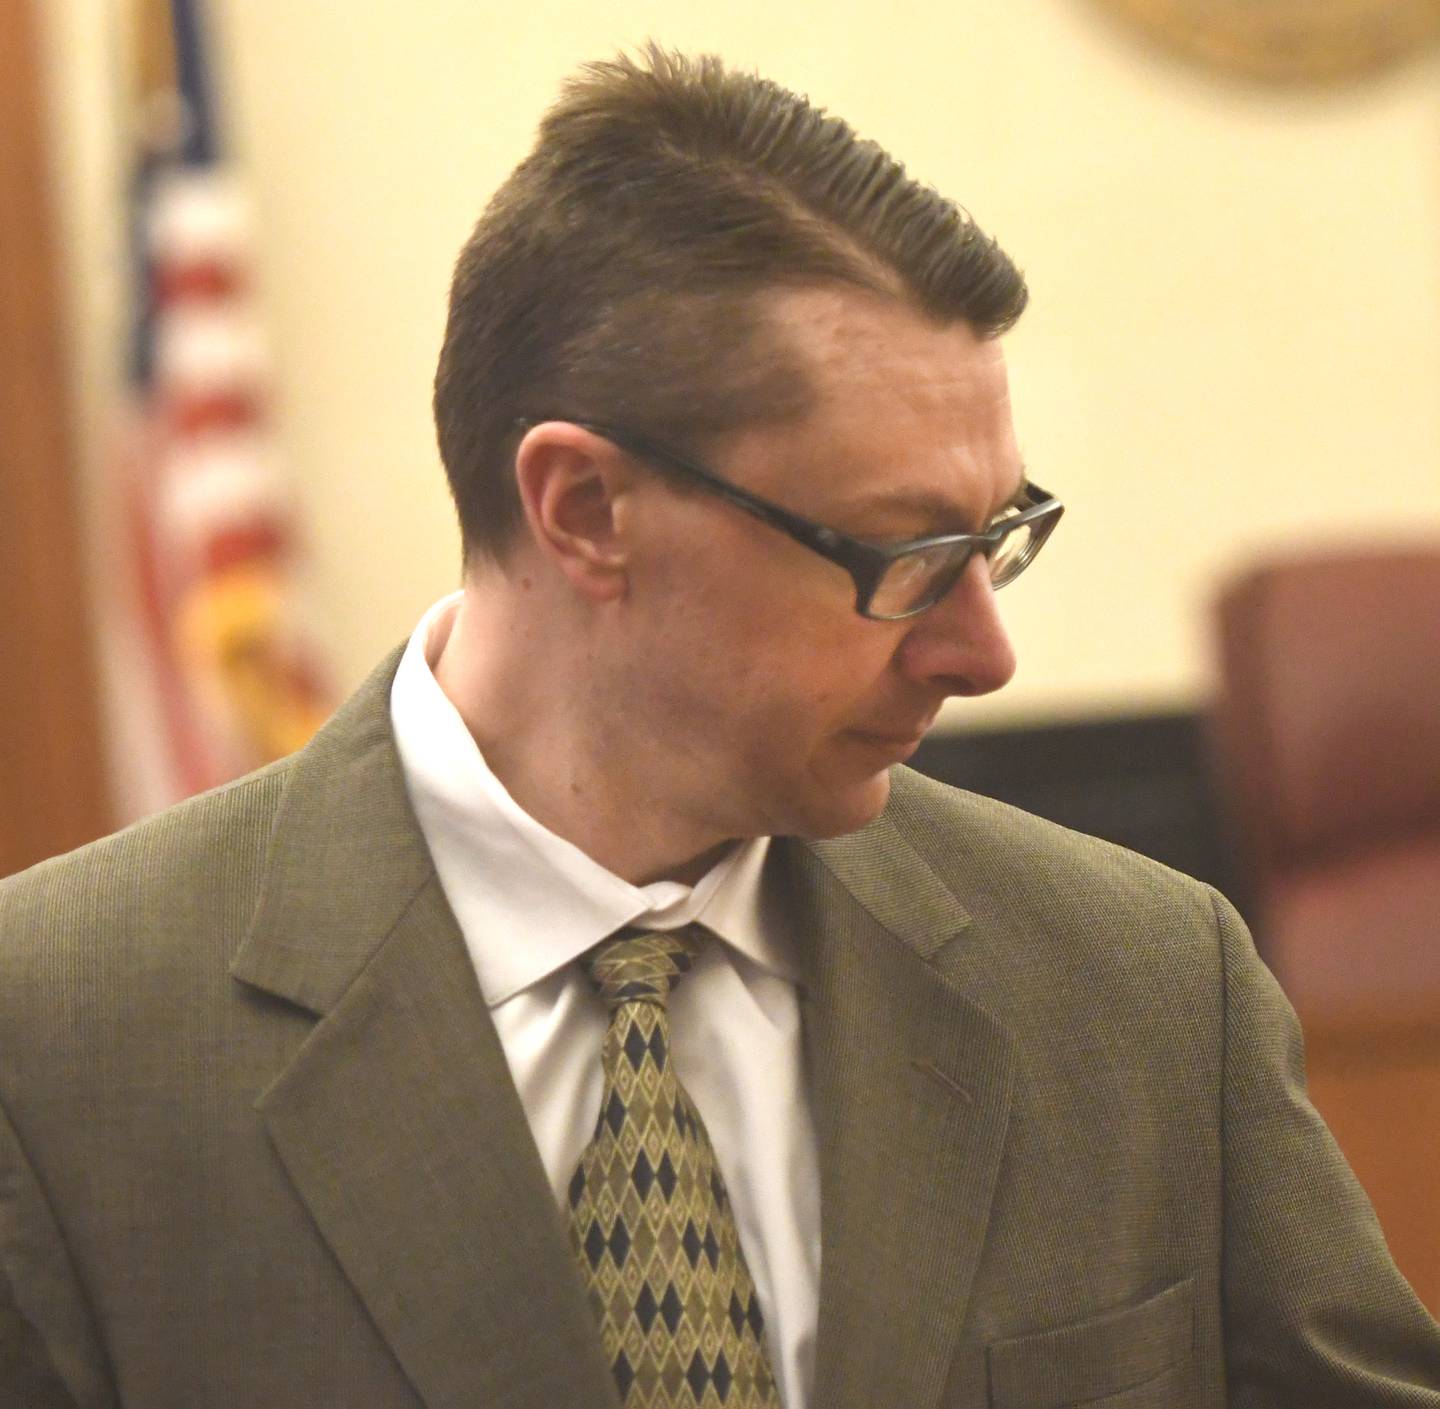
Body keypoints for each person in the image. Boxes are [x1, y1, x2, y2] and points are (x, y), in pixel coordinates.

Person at [1, 44, 1437, 1409]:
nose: (984, 649)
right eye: (903, 556)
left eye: (999, 535)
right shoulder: (61, 1043)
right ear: (585, 511)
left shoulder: (1140, 988)